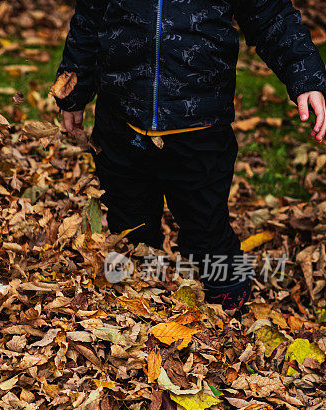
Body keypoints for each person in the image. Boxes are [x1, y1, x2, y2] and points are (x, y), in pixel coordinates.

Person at [55, 1, 326, 312]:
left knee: (206, 221)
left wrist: (306, 78)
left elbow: (270, 16)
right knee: (127, 214)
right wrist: (73, 92)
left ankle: (229, 293)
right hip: (121, 120)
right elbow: (89, 19)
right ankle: (133, 289)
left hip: (200, 126)